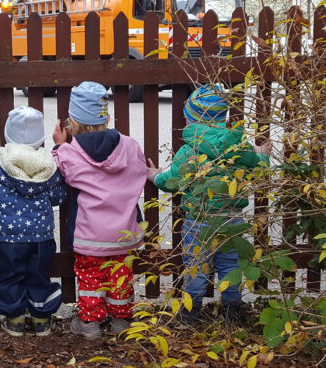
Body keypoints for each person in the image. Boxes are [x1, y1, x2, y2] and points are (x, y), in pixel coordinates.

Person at [147, 83, 271, 325]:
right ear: (222, 119)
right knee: (229, 267)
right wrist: (262, 153)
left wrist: (153, 175)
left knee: (197, 266)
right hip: (232, 221)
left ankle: (189, 315)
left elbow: (170, 182)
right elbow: (260, 167)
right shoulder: (238, 146)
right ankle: (232, 314)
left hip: (199, 221)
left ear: (191, 120)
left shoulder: (190, 150)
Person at [51, 82, 148, 340]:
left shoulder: (71, 151)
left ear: (73, 120)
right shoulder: (129, 145)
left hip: (89, 234)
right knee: (120, 276)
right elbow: (139, 170)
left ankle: (90, 324)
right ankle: (120, 321)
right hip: (123, 233)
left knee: (91, 278)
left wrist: (59, 146)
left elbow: (62, 168)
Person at [0, 106, 67, 336]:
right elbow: (59, 196)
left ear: (7, 134)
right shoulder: (49, 164)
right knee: (39, 275)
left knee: (8, 275)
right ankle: (41, 319)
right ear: (41, 138)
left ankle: (14, 318)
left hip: (5, 237)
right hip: (41, 237)